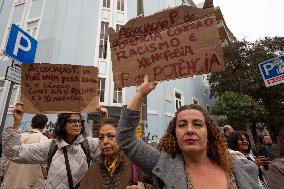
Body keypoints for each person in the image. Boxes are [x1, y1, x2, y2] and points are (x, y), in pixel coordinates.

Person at [116, 75, 260, 189]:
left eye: (197, 124)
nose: (190, 130)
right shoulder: (164, 165)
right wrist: (139, 95)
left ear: (209, 133)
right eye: (182, 125)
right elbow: (126, 140)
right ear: (174, 134)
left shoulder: (241, 168)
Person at [2, 102, 107, 189]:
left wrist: (104, 121)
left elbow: (111, 152)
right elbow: (14, 152)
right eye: (72, 121)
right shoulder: (50, 147)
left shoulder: (89, 144)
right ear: (62, 124)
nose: (77, 124)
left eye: (79, 121)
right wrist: (16, 122)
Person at [80, 118, 154, 189]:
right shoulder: (93, 169)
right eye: (101, 137)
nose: (105, 141)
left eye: (111, 136)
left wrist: (144, 187)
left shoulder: (138, 164)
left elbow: (159, 185)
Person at [1, 114, 49, 189]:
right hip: (31, 183)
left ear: (32, 123)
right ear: (44, 126)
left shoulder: (17, 137)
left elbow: (5, 159)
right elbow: (44, 166)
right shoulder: (44, 140)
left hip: (10, 181)